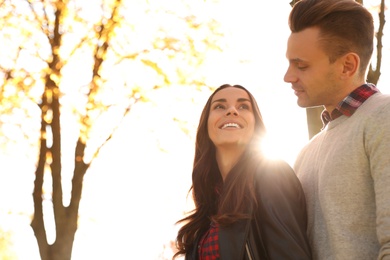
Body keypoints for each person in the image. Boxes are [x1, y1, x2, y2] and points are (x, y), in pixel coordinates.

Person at [284, 0, 390, 259]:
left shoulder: (383, 118)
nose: (288, 76)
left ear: (347, 66)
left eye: (302, 65)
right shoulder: (307, 152)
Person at [173, 84, 312, 259]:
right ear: (206, 125)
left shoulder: (271, 174)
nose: (232, 111)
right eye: (220, 106)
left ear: (255, 125)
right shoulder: (208, 206)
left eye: (243, 106)